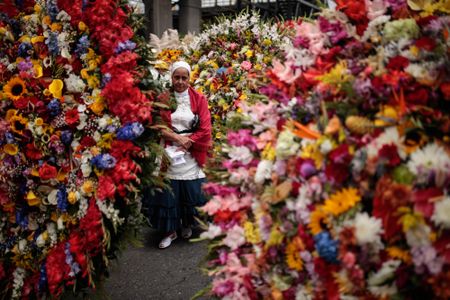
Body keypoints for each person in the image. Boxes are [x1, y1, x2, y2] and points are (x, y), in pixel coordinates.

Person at [147, 61, 212, 249]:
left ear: (190, 79)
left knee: (189, 190)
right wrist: (176, 138)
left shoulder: (199, 98)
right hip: (168, 149)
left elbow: (205, 129)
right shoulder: (163, 97)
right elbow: (157, 125)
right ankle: (170, 231)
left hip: (191, 152)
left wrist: (187, 143)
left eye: (184, 78)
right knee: (169, 190)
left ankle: (186, 224)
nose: (181, 81)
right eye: (177, 77)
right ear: (171, 77)